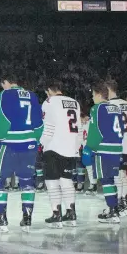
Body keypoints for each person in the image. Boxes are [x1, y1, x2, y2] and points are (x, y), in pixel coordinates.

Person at [0, 74, 42, 232]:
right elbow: (39, 123)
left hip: (10, 144)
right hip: (30, 144)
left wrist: (0, 137)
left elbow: (2, 119)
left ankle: (1, 218)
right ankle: (27, 218)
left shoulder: (5, 94)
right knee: (27, 180)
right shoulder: (32, 95)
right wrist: (33, 139)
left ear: (6, 82)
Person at [40, 80, 82, 229]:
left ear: (49, 90)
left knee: (52, 181)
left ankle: (56, 213)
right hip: (71, 146)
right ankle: (71, 212)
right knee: (67, 180)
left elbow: (48, 126)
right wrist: (77, 145)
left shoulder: (50, 102)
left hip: (54, 146)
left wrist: (43, 143)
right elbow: (79, 127)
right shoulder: (74, 102)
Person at [86, 82, 123, 223]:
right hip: (116, 148)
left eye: (93, 95)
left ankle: (112, 210)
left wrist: (89, 147)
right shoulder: (116, 108)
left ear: (99, 94)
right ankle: (113, 208)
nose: (92, 98)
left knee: (106, 181)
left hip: (104, 148)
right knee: (111, 179)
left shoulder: (96, 108)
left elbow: (95, 130)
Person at [106, 79, 127, 216]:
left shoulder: (110, 104)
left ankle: (118, 203)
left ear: (108, 89)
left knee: (116, 176)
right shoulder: (126, 104)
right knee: (122, 174)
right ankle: (125, 202)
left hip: (117, 144)